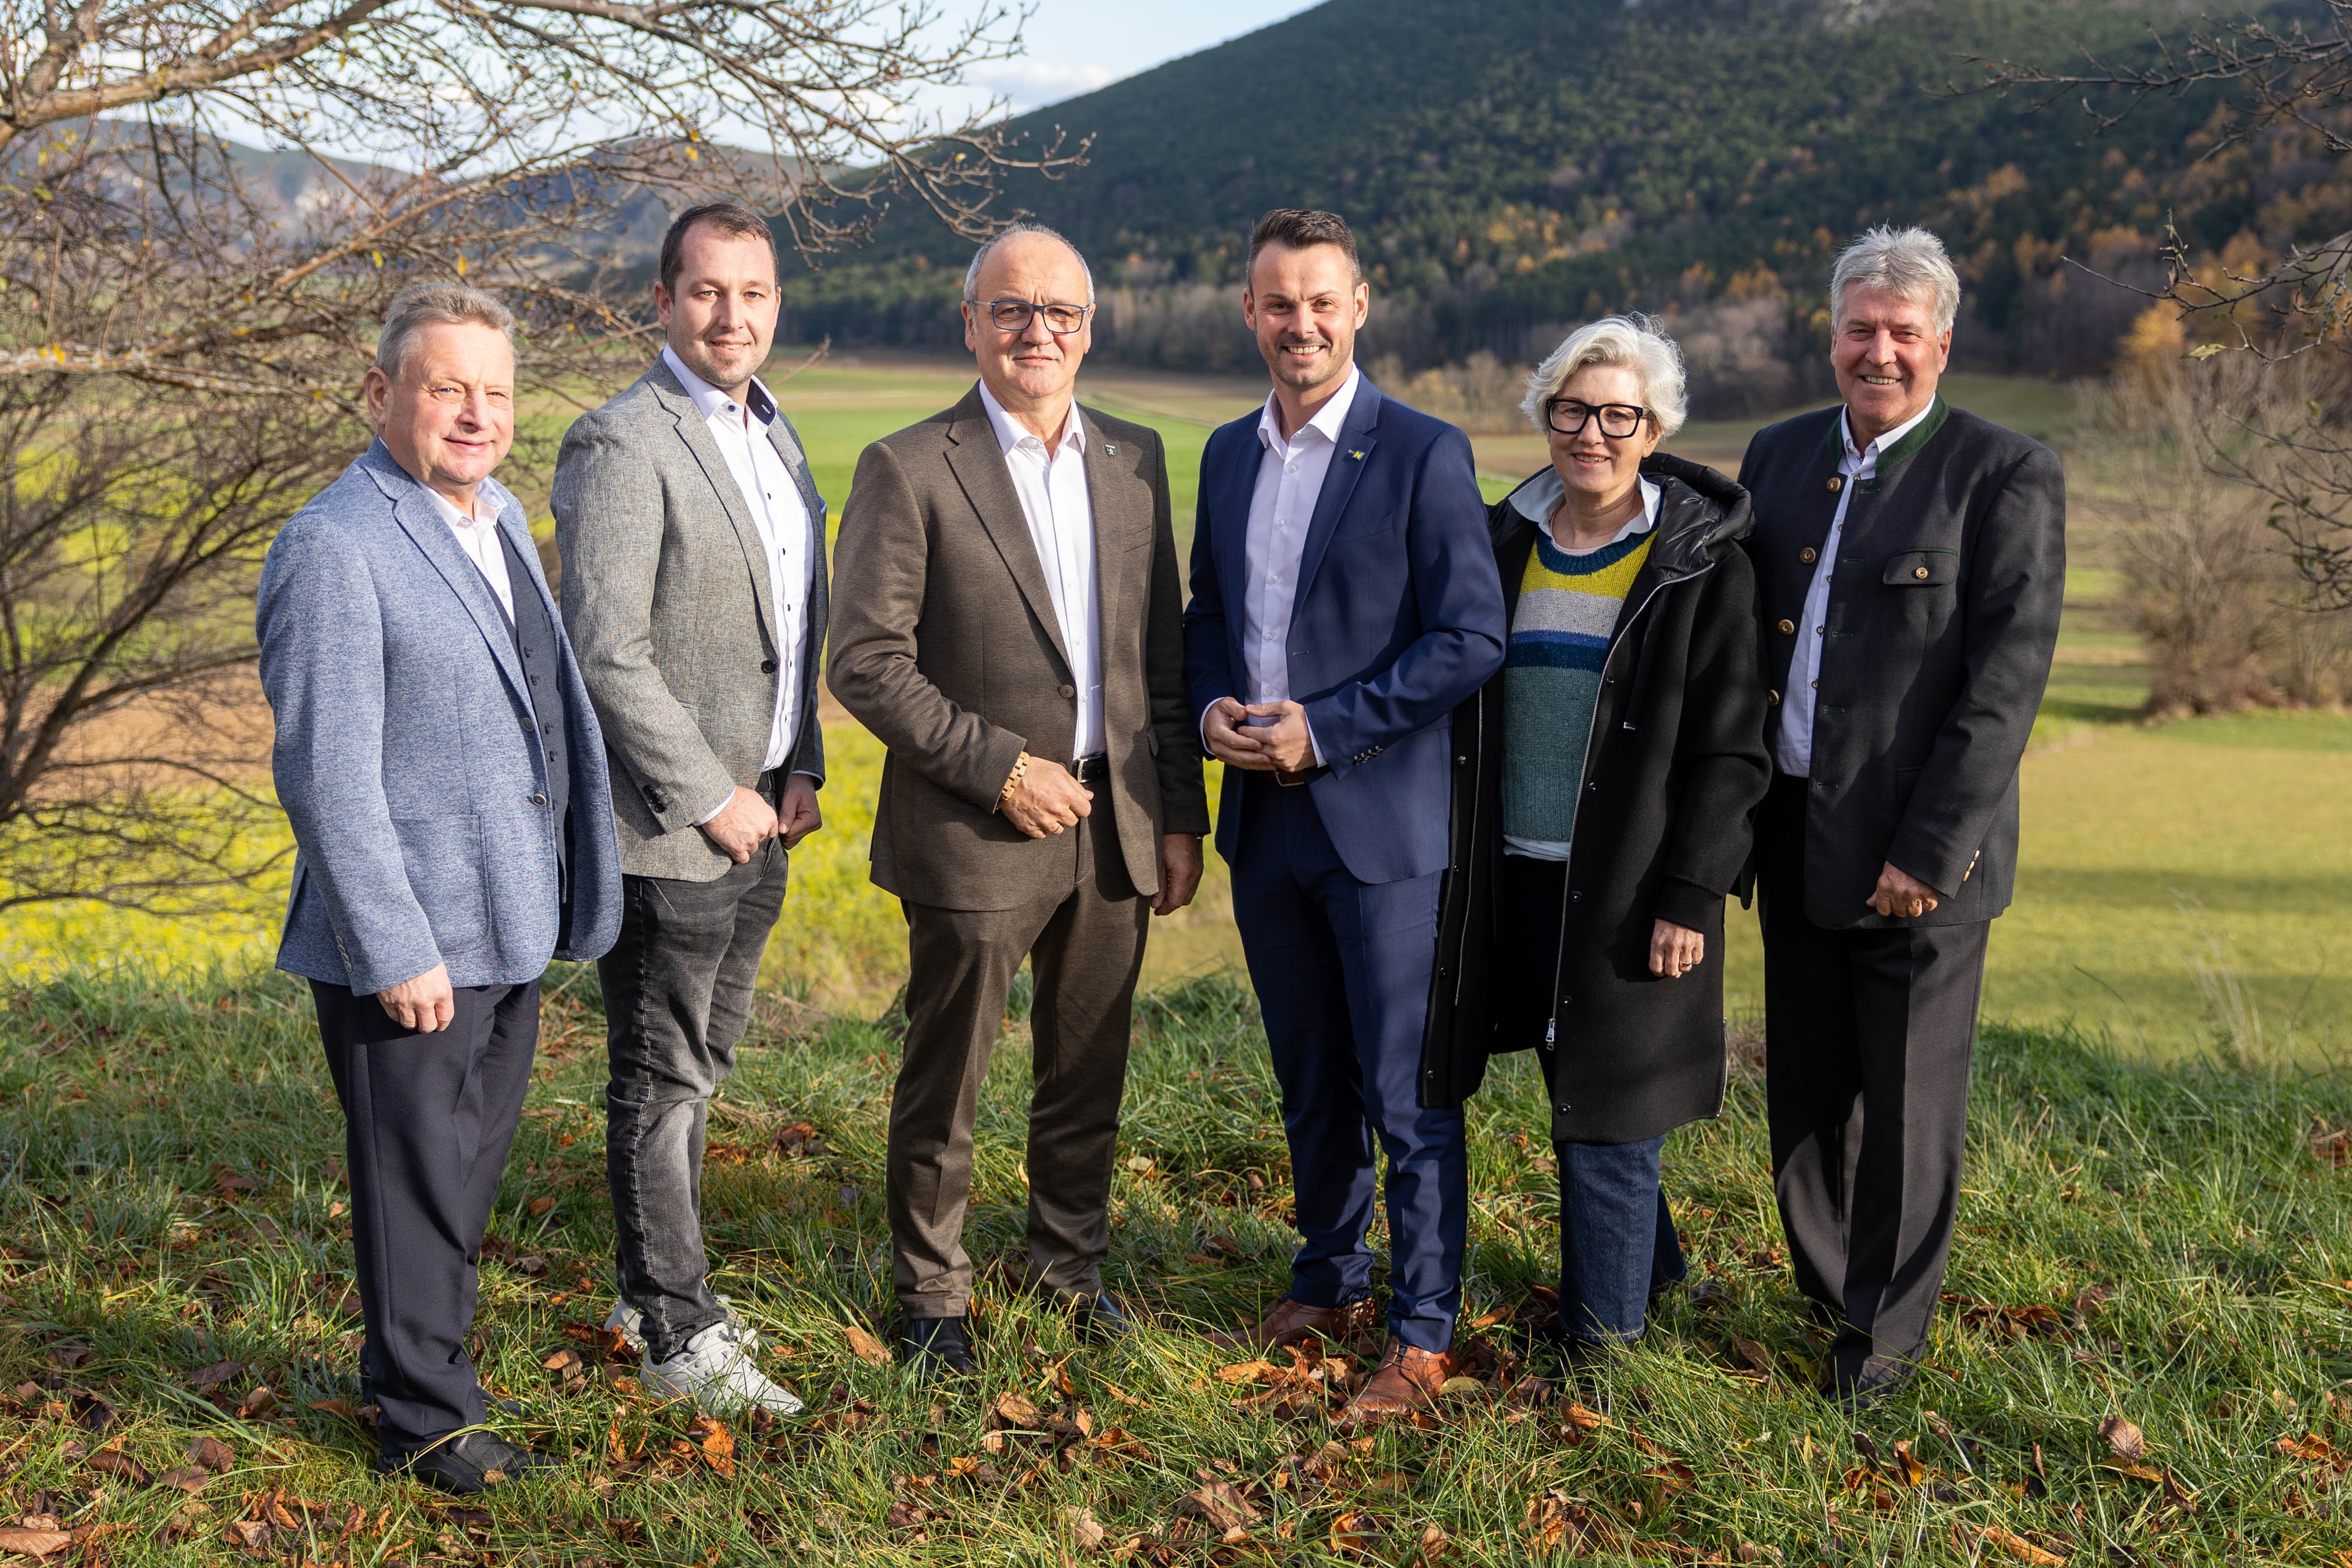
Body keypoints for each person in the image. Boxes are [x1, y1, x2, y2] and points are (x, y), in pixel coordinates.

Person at [256, 284, 622, 1494]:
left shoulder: (497, 513)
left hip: (507, 918)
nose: (476, 413)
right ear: (381, 395)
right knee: (415, 1183)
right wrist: (393, 945)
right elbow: (325, 772)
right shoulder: (334, 543)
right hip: (409, 939)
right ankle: (425, 1423)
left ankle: (429, 1370)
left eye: (496, 391)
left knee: (458, 1178)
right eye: (445, 386)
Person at [827, 224, 1209, 1379]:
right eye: (1011, 309)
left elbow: (1163, 655)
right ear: (971, 324)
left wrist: (1178, 813)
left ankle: (1065, 1266)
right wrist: (997, 767)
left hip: (1116, 824)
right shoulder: (907, 465)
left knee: (1086, 1066)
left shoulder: (1135, 459)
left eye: (1059, 313)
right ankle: (933, 1293)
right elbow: (866, 660)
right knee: (949, 1076)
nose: (1035, 330)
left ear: (1088, 331)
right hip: (975, 824)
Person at [1182, 209, 1506, 1426]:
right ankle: (1328, 1273)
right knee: (1308, 1076)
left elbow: (1469, 639)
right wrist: (1211, 700)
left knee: (1403, 1092)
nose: (1298, 323)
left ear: (1359, 306)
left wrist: (1328, 724)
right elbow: (1208, 611)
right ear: (1249, 313)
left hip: (1379, 827)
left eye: (1320, 301)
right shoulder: (1222, 454)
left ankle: (1423, 1332)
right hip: (1261, 825)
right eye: (1276, 302)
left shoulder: (1420, 451)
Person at [1738, 226, 2066, 1408]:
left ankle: (1877, 1351)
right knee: (1807, 1097)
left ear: (1940, 340)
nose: (1876, 350)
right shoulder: (1775, 460)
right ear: (1829, 337)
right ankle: (1828, 1291)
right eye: (1857, 329)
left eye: (1899, 331)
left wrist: (1927, 852)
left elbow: (2002, 683)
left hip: (1922, 865)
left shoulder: (2001, 474)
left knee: (1910, 1108)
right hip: (1789, 840)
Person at [1423, 316, 1770, 1365]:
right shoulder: (1500, 543)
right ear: (1545, 418)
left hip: (1628, 885)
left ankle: (1601, 1355)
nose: (1593, 434)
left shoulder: (1699, 568)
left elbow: (1732, 752)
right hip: (1510, 875)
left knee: (1611, 1115)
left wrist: (1693, 892)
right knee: (1568, 1083)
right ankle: (1654, 1274)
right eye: (1572, 411)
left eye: (1620, 415)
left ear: (1655, 428)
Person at [551, 202, 828, 1416]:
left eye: (754, 293)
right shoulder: (620, 440)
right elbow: (604, 652)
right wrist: (711, 792)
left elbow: (791, 627)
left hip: (763, 817)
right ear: (661, 302)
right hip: (670, 828)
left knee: (702, 1068)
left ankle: (643, 1288)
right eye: (708, 292)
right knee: (659, 1079)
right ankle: (676, 1332)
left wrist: (799, 763)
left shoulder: (779, 439)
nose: (733, 315)